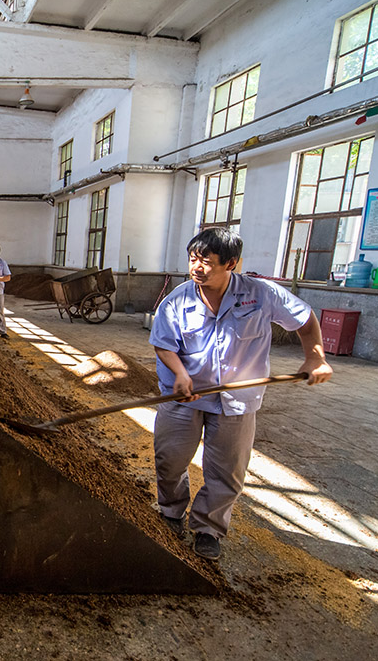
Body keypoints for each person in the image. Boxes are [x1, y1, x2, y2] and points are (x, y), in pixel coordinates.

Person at [149, 228, 332, 560]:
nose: (197, 268)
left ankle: (208, 527)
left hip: (237, 399)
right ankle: (171, 510)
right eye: (193, 259)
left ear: (232, 263)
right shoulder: (177, 299)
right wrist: (179, 374)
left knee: (228, 469)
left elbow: (305, 320)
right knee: (170, 459)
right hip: (183, 395)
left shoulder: (260, 294)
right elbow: (164, 344)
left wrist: (315, 357)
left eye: (206, 261)